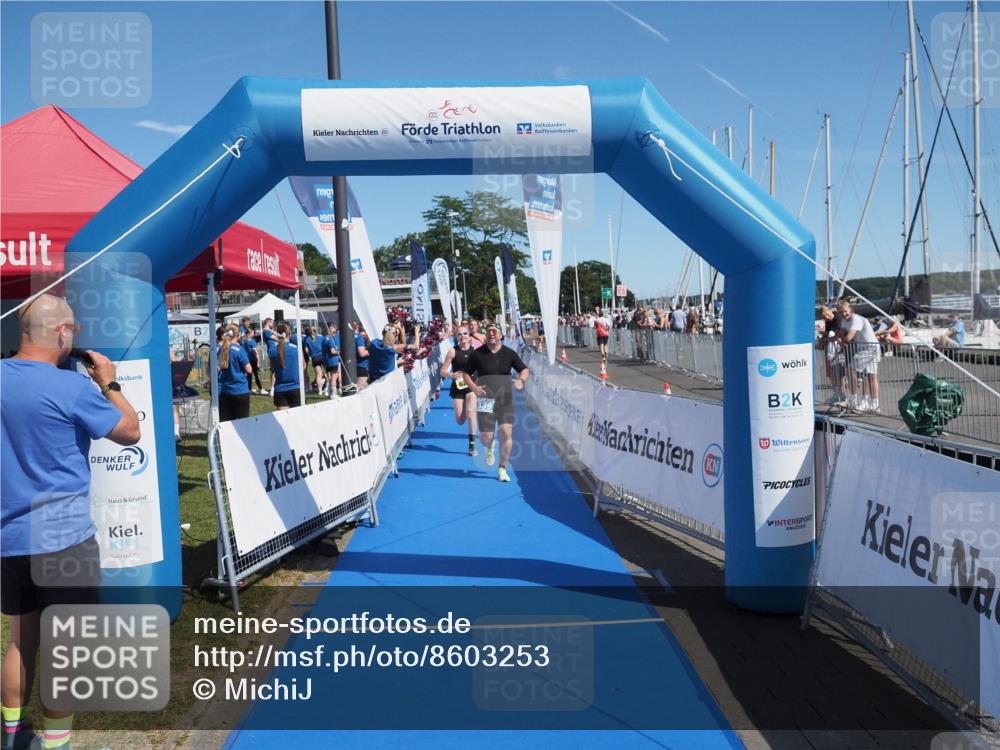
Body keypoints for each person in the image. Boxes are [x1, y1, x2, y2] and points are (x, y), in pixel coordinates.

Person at [2, 294, 140, 750]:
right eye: (73, 331)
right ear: (61, 333)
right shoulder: (72, 387)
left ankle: (13, 735)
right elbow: (129, 431)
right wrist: (110, 383)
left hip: (9, 537)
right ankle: (56, 743)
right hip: (63, 540)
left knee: (22, 640)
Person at [465, 323, 529, 482]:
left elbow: (524, 369)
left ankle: (502, 468)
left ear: (501, 335)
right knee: (486, 438)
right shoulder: (477, 354)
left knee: (507, 432)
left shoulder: (509, 354)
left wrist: (521, 380)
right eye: (489, 332)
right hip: (485, 399)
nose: (491, 334)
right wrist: (473, 387)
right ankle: (490, 446)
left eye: (495, 331)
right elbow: (466, 373)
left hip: (504, 399)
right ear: (486, 336)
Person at [440, 325, 479, 456]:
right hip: (458, 387)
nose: (463, 337)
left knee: (471, 413)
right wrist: (451, 375)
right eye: (460, 334)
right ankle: (468, 423)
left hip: (471, 385)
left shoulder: (475, 352)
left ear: (469, 336)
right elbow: (443, 371)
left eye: (465, 334)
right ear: (456, 337)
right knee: (460, 420)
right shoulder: (453, 351)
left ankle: (472, 445)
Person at [836, 301, 881, 413]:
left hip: (871, 347)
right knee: (867, 376)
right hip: (865, 348)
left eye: (845, 311)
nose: (844, 314)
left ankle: (853, 401)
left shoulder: (856, 319)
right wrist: (833, 339)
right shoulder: (844, 320)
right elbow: (841, 334)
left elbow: (849, 337)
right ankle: (870, 404)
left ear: (851, 310)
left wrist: (840, 341)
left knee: (852, 369)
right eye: (841, 312)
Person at [218, 324, 253, 421]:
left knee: (227, 421)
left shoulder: (221, 348)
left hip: (226, 390)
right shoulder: (239, 349)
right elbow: (249, 369)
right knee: (243, 422)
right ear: (237, 335)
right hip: (240, 390)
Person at [271, 322, 302, 410]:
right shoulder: (296, 349)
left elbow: (272, 368)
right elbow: (303, 365)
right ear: (290, 333)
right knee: (297, 421)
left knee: (283, 421)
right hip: (296, 388)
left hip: (280, 389)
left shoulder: (272, 351)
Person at [303, 325, 325, 394]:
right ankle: (327, 387)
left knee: (318, 374)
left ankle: (320, 390)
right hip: (322, 356)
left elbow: (306, 350)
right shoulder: (321, 337)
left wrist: (310, 354)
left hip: (314, 357)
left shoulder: (306, 339)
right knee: (328, 373)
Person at [242, 322, 263, 394]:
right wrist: (258, 361)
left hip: (248, 360)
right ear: (249, 334)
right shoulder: (252, 341)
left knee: (249, 375)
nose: (254, 334)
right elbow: (255, 352)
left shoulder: (244, 341)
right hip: (253, 360)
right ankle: (260, 388)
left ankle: (249, 389)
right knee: (256, 375)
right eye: (253, 333)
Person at [321, 323, 340, 398]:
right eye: (334, 332)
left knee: (330, 377)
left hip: (327, 361)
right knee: (334, 377)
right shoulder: (331, 339)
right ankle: (333, 393)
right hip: (333, 361)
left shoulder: (324, 339)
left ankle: (328, 392)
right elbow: (332, 351)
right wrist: (340, 352)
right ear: (329, 331)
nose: (335, 334)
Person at [261, 317, 278, 395]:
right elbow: (277, 338)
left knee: (275, 370)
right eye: (272, 323)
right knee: (274, 370)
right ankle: (273, 389)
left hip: (275, 351)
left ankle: (274, 388)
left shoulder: (269, 330)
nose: (273, 324)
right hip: (273, 351)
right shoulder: (266, 331)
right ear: (268, 322)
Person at [354, 325, 370, 389]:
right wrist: (373, 350)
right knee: (360, 389)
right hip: (361, 366)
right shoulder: (360, 338)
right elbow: (362, 353)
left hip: (365, 366)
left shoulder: (363, 338)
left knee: (365, 388)